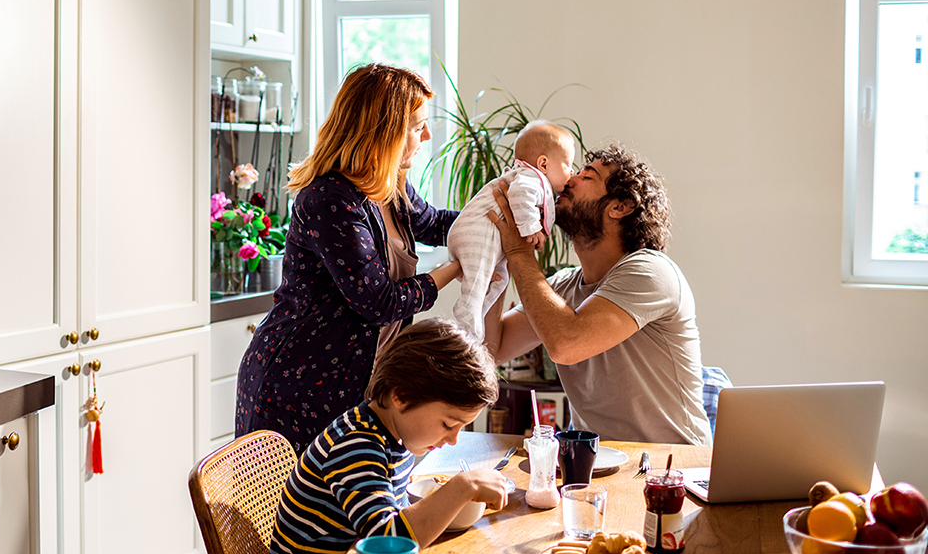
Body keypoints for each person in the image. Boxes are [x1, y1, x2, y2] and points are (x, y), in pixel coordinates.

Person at [235, 64, 461, 453]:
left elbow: (436, 224)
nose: (426, 135)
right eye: (416, 126)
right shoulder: (331, 199)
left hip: (350, 377)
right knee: (295, 508)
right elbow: (379, 302)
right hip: (299, 382)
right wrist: (454, 269)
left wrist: (496, 221)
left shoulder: (389, 185)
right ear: (384, 130)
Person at [261, 318, 508, 554]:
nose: (453, 440)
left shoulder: (392, 434)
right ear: (401, 396)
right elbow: (386, 543)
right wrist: (463, 486)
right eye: (447, 424)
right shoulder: (355, 446)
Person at [483, 144, 712, 445]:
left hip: (673, 469)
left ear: (620, 206)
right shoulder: (563, 286)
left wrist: (518, 252)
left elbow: (567, 343)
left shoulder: (650, 272)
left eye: (587, 176)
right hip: (596, 467)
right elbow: (491, 349)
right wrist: (496, 255)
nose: (567, 180)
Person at [447, 120, 577, 340]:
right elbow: (519, 195)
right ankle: (467, 313)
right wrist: (532, 228)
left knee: (500, 279)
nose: (572, 172)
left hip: (481, 234)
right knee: (478, 280)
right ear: (543, 164)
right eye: (567, 165)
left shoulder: (534, 180)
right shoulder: (532, 179)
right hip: (479, 232)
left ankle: (478, 313)